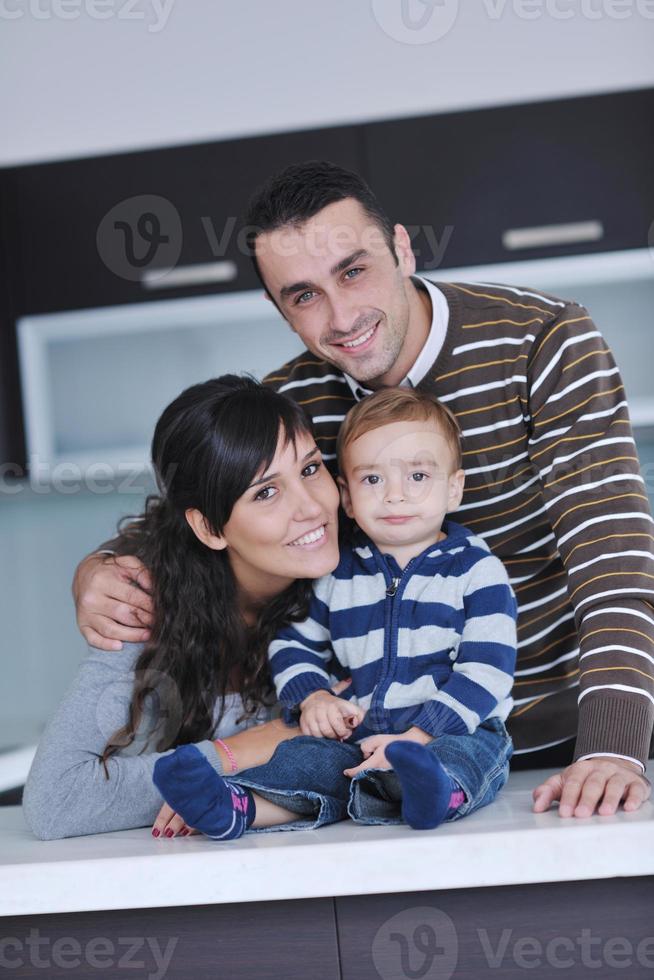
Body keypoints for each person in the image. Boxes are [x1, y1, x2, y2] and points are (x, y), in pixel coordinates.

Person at [73, 161, 653, 818]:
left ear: (402, 249)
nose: (342, 316)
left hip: (574, 735)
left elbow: (615, 564)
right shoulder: (292, 400)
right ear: (278, 307)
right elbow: (201, 518)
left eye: (354, 271)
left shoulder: (542, 341)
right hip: (384, 754)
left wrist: (614, 749)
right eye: (304, 295)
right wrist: (98, 569)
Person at [151, 387, 517, 838]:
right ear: (345, 495)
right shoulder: (338, 572)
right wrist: (314, 698)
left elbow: (486, 671)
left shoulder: (476, 571)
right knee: (305, 761)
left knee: (467, 755)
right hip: (360, 738)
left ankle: (436, 792)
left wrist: (419, 737)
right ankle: (236, 807)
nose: (395, 497)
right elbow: (292, 641)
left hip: (451, 731)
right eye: (372, 480)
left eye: (418, 477)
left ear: (454, 487)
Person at [22, 375, 346, 840]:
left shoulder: (363, 584)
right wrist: (247, 750)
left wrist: (218, 781)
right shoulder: (147, 601)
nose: (312, 507)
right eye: (266, 492)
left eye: (310, 469)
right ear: (209, 527)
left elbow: (371, 751)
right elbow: (58, 801)